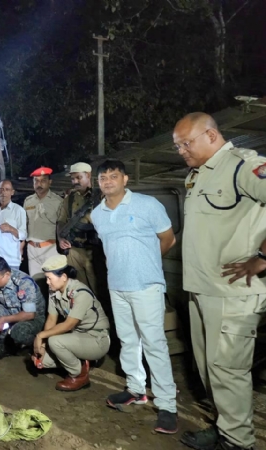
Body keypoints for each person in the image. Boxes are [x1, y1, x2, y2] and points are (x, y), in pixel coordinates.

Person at [173, 113, 266, 450]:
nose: (181, 151)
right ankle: (226, 427)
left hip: (232, 293)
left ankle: (239, 442)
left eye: (187, 143)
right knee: (209, 369)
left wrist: (263, 258)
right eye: (178, 145)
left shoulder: (243, 166)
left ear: (211, 135)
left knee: (228, 370)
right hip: (202, 288)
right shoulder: (197, 175)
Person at [91, 159, 178, 435]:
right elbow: (108, 249)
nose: (107, 181)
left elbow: (168, 239)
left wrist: (147, 262)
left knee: (154, 343)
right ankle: (136, 389)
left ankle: (167, 405)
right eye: (103, 177)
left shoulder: (147, 205)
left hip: (146, 286)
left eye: (113, 176)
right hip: (117, 286)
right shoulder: (97, 214)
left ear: (125, 179)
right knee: (128, 340)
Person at [33, 254, 110, 392]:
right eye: (46, 278)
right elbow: (51, 319)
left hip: (97, 339)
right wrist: (43, 346)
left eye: (49, 278)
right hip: (78, 337)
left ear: (63, 277)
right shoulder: (54, 292)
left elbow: (69, 325)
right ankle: (83, 361)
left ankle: (79, 375)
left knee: (55, 341)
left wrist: (40, 336)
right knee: (43, 361)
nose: (47, 282)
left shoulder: (81, 293)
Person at [57, 162, 101, 294]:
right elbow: (60, 221)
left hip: (94, 252)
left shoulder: (100, 196)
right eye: (72, 178)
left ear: (88, 175)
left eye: (78, 177)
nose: (75, 181)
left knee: (98, 289)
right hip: (74, 251)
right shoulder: (69, 199)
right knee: (79, 290)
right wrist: (60, 238)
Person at [23, 167, 63, 276]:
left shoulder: (58, 201)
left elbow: (62, 224)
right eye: (36, 181)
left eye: (43, 181)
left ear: (50, 182)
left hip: (50, 249)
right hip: (32, 249)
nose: (39, 184)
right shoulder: (28, 201)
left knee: (53, 283)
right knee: (36, 282)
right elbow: (24, 225)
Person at [0, 179, 27, 270]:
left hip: (10, 259)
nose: (3, 192)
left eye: (7, 190)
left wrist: (11, 229)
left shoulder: (19, 210)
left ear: (12, 192)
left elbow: (23, 235)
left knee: (10, 284)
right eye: (1, 189)